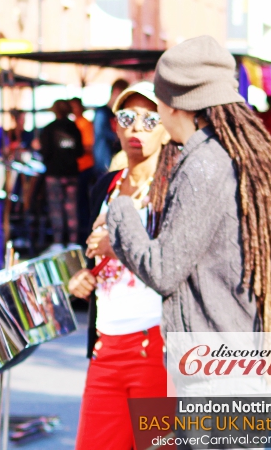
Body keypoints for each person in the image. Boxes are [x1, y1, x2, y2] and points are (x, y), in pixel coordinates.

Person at [108, 36, 271, 335]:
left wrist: (122, 206)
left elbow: (162, 271)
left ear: (174, 104)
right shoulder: (222, 154)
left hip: (212, 363)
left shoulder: (203, 164)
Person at [67, 82, 177, 450]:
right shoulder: (105, 187)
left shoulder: (174, 188)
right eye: (127, 117)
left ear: (165, 128)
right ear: (115, 126)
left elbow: (176, 260)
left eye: (150, 119)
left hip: (156, 346)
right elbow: (99, 257)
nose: (136, 128)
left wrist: (119, 247)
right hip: (105, 345)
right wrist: (85, 276)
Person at [40, 100, 84, 249]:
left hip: (54, 174)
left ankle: (58, 242)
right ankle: (72, 241)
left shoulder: (48, 129)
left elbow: (45, 153)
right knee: (71, 208)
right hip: (71, 173)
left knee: (56, 209)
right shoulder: (74, 128)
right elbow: (80, 151)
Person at [70, 97, 96, 241]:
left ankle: (84, 235)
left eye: (74, 107)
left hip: (85, 167)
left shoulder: (85, 124)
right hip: (77, 168)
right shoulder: (74, 124)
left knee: (82, 204)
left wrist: (73, 149)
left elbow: (88, 146)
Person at [93, 78, 130, 176]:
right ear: (117, 91)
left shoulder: (118, 113)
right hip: (105, 161)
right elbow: (101, 132)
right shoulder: (102, 112)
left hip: (116, 160)